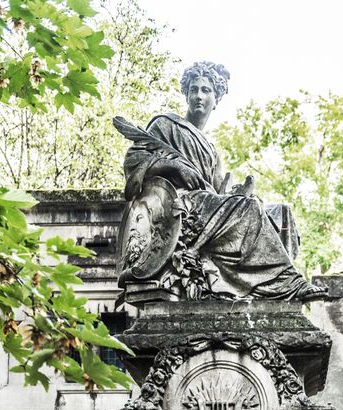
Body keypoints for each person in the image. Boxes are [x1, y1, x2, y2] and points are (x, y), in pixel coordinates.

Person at [114, 61, 325, 301]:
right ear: (186, 94)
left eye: (206, 90)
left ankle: (275, 295)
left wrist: (237, 194)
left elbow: (218, 193)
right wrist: (174, 165)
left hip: (210, 208)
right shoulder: (165, 125)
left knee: (280, 213)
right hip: (183, 207)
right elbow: (134, 162)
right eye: (194, 89)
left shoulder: (212, 151)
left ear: (217, 99)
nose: (199, 96)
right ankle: (287, 285)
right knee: (250, 208)